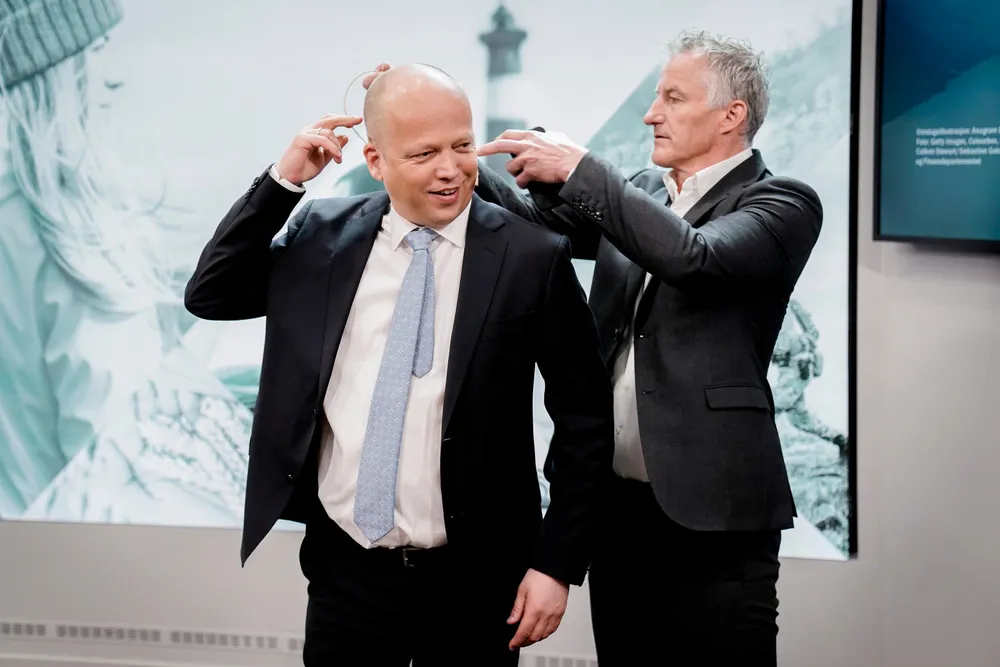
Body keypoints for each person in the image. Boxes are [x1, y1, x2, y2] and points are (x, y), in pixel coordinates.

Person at [367, 27, 823, 664]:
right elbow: (532, 226)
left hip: (716, 516)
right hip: (617, 513)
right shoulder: (640, 194)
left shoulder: (783, 202)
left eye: (672, 97)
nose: (651, 113)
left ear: (732, 115)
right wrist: (456, 153)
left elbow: (693, 258)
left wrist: (581, 168)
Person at [184, 63, 614, 665]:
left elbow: (585, 419)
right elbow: (212, 293)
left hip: (479, 579)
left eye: (462, 145)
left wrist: (556, 563)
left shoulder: (531, 256)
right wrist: (283, 183)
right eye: (423, 153)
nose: (450, 168)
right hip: (345, 571)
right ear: (376, 161)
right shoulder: (321, 236)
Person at [0, 0, 251, 525]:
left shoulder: (16, 214)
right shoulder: (69, 227)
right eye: (97, 51)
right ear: (58, 71)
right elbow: (117, 445)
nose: (113, 77)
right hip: (89, 554)